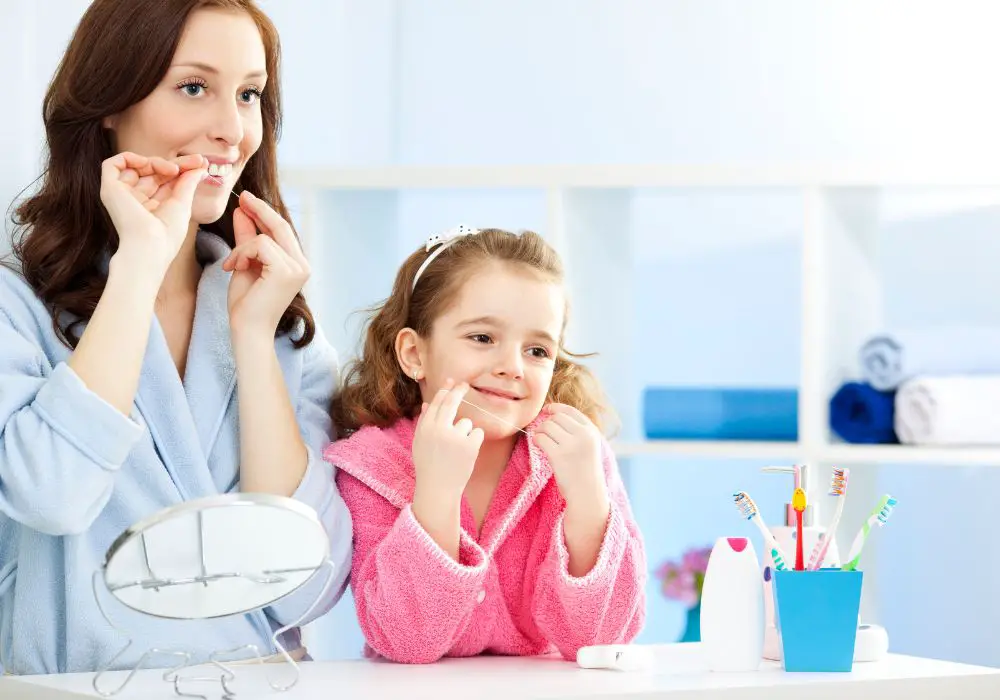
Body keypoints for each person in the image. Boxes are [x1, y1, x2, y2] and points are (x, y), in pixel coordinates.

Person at [0, 0, 352, 675]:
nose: (231, 130)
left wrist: (253, 341)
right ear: (109, 100)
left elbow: (311, 587)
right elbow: (50, 494)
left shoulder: (281, 325)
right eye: (194, 87)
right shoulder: (18, 309)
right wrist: (138, 267)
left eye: (249, 94)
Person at [324, 226, 646, 664]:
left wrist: (588, 499)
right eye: (482, 338)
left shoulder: (579, 458)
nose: (513, 366)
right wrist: (435, 493)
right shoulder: (372, 465)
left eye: (537, 350)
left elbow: (604, 639)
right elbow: (405, 642)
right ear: (415, 354)